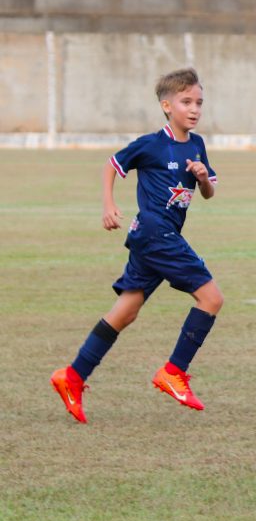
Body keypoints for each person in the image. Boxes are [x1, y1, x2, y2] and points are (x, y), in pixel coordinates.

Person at [50, 68, 224, 423]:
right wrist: (108, 205)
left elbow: (209, 192)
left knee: (126, 310)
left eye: (199, 103)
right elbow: (112, 164)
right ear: (166, 105)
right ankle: (174, 371)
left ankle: (73, 376)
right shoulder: (151, 144)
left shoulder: (197, 145)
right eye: (186, 101)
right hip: (155, 233)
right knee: (211, 298)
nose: (194, 109)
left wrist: (203, 178)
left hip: (155, 238)